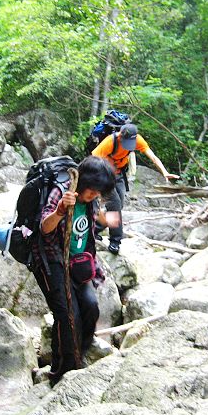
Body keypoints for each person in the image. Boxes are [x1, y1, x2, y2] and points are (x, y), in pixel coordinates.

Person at [31, 156, 117, 385]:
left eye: (98, 192)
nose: (95, 195)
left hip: (78, 262)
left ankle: (81, 353)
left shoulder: (92, 199)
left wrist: (112, 221)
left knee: (90, 307)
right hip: (52, 260)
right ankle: (61, 372)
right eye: (93, 190)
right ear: (84, 181)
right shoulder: (61, 192)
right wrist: (60, 210)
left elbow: (94, 225)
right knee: (68, 317)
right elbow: (44, 228)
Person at [91, 123, 179, 254]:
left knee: (118, 205)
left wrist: (164, 172)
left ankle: (95, 229)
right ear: (120, 136)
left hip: (119, 174)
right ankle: (115, 241)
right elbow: (92, 160)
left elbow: (153, 157)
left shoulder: (137, 140)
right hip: (104, 174)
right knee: (114, 203)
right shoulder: (110, 141)